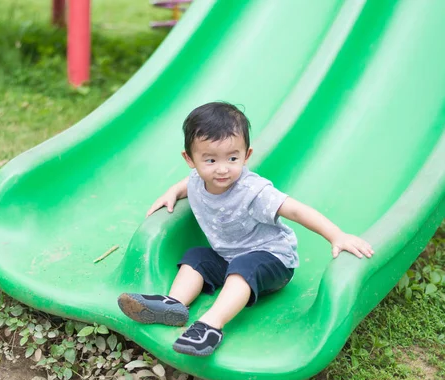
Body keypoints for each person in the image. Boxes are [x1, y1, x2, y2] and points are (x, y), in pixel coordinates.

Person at [117, 102, 374, 357]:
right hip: (229, 256)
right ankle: (173, 305)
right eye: (210, 159)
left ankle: (210, 326)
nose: (222, 168)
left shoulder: (253, 191)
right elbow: (188, 183)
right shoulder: (197, 180)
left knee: (245, 267)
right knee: (196, 256)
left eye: (232, 158)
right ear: (190, 160)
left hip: (272, 261)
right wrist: (172, 192)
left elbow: (297, 210)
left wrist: (336, 235)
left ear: (246, 155)